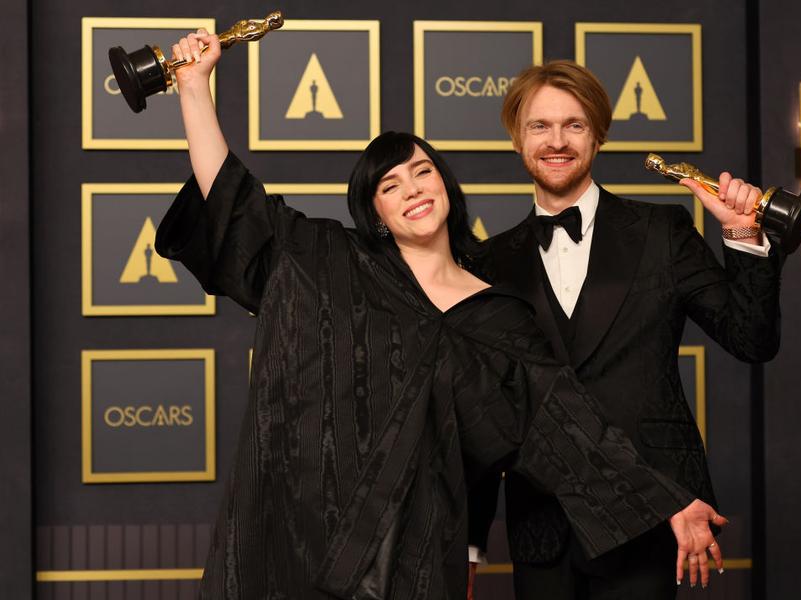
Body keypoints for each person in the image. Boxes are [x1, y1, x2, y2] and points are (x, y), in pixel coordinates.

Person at [155, 32, 724, 599]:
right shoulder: (328, 262)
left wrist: (667, 502)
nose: (412, 190)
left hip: (416, 555)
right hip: (296, 540)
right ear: (376, 214)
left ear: (445, 184)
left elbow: (568, 427)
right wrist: (194, 87)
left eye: (422, 171)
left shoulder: (499, 317)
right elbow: (235, 204)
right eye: (390, 184)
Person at [467, 61, 783, 598]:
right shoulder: (488, 262)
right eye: (540, 126)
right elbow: (479, 415)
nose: (556, 141)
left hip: (655, 515)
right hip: (543, 525)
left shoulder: (662, 231)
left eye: (574, 125)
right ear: (518, 139)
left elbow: (751, 340)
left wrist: (742, 235)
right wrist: (470, 545)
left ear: (598, 135)